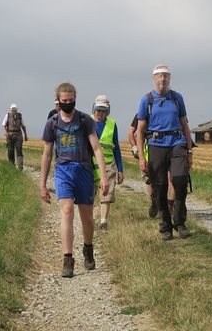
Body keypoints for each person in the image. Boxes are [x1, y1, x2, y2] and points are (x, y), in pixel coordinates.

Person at [40, 82, 109, 278]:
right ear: (58, 102)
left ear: (75, 100)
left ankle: (88, 248)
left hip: (84, 171)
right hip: (63, 171)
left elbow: (96, 148)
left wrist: (103, 176)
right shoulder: (52, 123)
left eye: (71, 101)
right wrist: (42, 184)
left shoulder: (85, 120)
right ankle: (67, 260)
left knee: (86, 217)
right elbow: (46, 155)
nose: (68, 104)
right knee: (67, 211)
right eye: (65, 101)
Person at [136, 64, 193, 240]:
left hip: (177, 142)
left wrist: (190, 151)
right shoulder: (146, 100)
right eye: (159, 76)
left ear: (169, 79)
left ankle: (180, 222)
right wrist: (141, 158)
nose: (163, 79)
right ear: (154, 79)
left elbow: (184, 124)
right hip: (156, 145)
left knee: (180, 180)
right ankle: (165, 226)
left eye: (166, 76)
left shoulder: (177, 98)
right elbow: (139, 131)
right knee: (159, 187)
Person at [90, 95, 123, 232]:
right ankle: (89, 219)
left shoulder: (112, 124)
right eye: (97, 110)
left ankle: (103, 221)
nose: (99, 113)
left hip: (108, 164)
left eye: (102, 110)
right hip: (90, 164)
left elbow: (116, 147)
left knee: (106, 193)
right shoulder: (87, 122)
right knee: (90, 193)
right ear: (94, 109)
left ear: (107, 111)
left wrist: (120, 169)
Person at [128, 113, 158, 218]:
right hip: (145, 148)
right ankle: (154, 201)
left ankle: (168, 204)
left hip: (161, 147)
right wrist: (134, 147)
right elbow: (131, 132)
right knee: (148, 178)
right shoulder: (140, 113)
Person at [2, 103, 28, 170]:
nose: (14, 111)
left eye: (15, 109)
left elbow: (23, 126)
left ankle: (20, 166)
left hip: (18, 135)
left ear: (17, 110)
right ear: (10, 110)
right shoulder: (7, 115)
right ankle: (11, 165)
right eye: (12, 109)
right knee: (10, 151)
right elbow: (3, 125)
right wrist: (5, 132)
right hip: (10, 136)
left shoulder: (20, 116)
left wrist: (25, 135)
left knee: (19, 150)